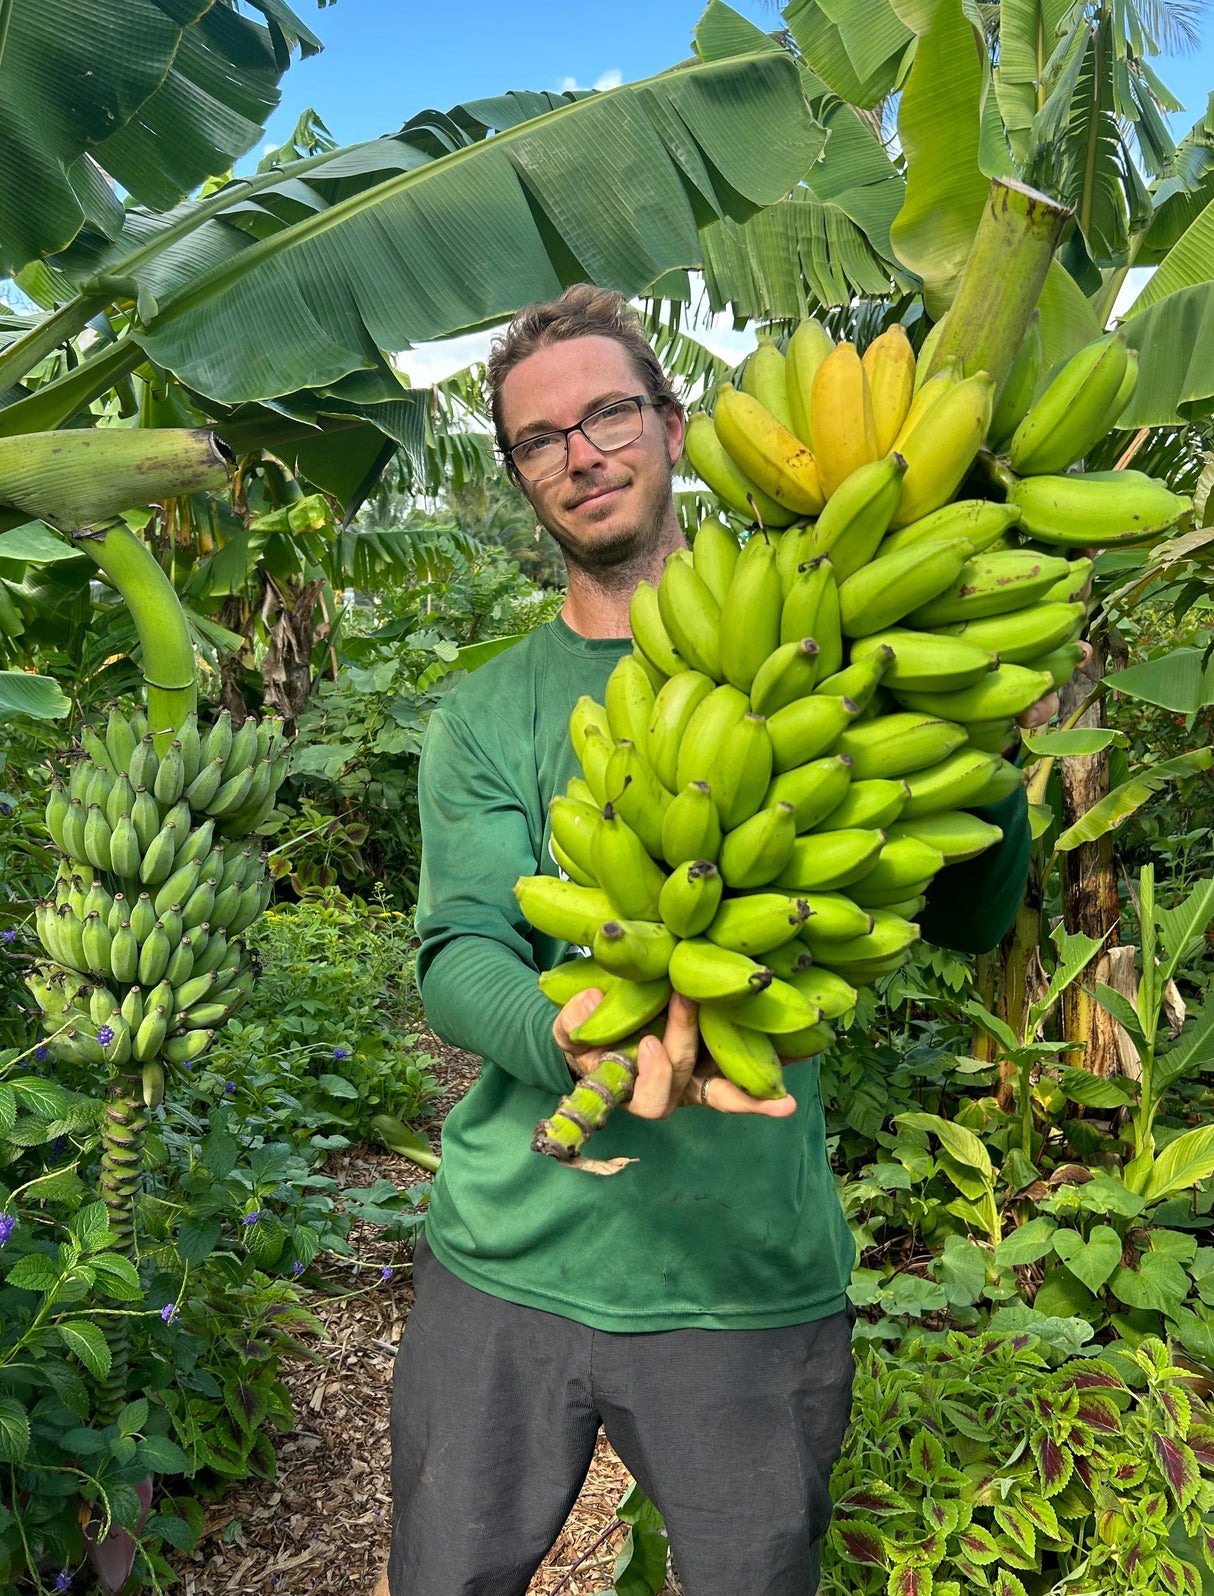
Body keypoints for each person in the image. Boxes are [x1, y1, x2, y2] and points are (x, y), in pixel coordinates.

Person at [380, 285, 1061, 1596]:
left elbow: (972, 922)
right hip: (506, 1268)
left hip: (746, 1278)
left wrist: (967, 726)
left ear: (675, 427)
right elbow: (459, 946)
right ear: (518, 473)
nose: (581, 454)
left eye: (608, 414)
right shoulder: (489, 712)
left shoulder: (841, 662)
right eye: (538, 438)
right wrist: (567, 1031)